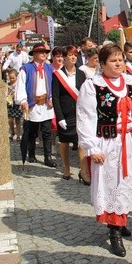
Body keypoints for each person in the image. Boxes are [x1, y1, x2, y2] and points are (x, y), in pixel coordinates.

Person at [76, 43, 132, 257]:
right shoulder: (92, 86)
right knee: (111, 184)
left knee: (128, 182)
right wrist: (92, 147)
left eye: (121, 60)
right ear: (103, 64)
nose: (119, 64)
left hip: (131, 142)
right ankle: (114, 230)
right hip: (108, 143)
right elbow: (86, 117)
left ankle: (121, 217)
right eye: (113, 61)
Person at [15, 43, 57, 168]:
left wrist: (51, 98)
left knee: (46, 132)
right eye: (41, 52)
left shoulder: (50, 68)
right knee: (32, 131)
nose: (44, 54)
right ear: (34, 54)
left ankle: (48, 157)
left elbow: (54, 85)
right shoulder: (26, 69)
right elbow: (21, 86)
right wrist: (23, 100)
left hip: (46, 105)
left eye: (46, 52)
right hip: (33, 104)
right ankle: (31, 154)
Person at [52, 45, 90, 183]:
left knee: (81, 142)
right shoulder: (57, 75)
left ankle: (84, 171)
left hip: (79, 113)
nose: (73, 57)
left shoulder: (81, 74)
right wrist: (59, 117)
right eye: (70, 55)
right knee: (64, 142)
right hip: (65, 114)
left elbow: (85, 94)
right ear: (64, 57)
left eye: (75, 55)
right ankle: (66, 167)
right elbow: (55, 97)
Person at [6, 69, 23, 141]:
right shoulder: (8, 85)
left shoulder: (19, 85)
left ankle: (19, 134)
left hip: (17, 104)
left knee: (18, 120)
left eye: (13, 78)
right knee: (10, 119)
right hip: (10, 104)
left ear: (17, 77)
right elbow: (6, 93)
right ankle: (12, 132)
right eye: (10, 78)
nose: (12, 79)